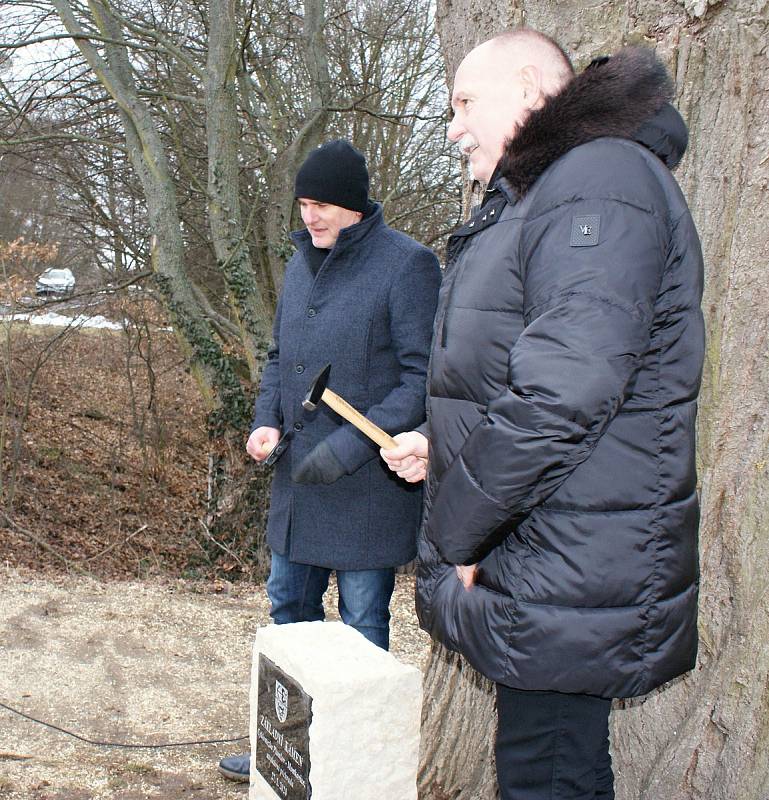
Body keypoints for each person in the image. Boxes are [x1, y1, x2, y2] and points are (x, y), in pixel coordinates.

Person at [382, 30, 705, 800]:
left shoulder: (596, 178)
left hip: (567, 552)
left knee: (547, 772)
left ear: (529, 88)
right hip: (550, 542)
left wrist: (461, 530)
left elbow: (565, 391)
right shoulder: (551, 189)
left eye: (465, 102)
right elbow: (524, 370)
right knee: (550, 763)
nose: (453, 126)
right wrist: (442, 442)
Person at [218, 139, 440, 782]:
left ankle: (355, 767)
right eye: (303, 203)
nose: (309, 217)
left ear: (353, 205)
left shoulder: (408, 266)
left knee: (362, 628)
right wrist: (266, 422)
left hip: (368, 486)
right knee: (289, 614)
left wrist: (350, 447)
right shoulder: (298, 264)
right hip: (297, 483)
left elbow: (422, 379)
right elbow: (279, 360)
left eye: (320, 205)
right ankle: (281, 755)